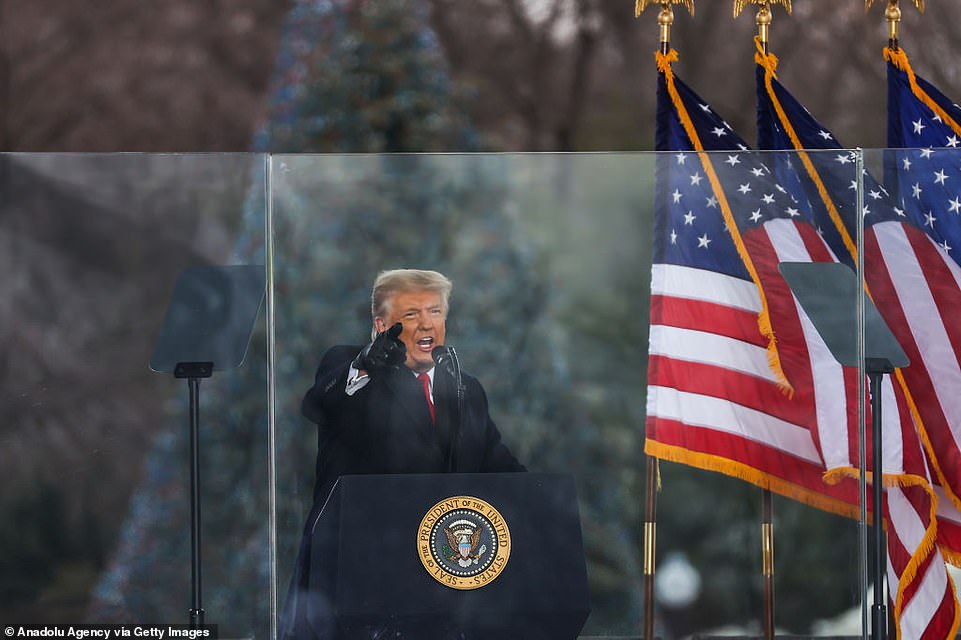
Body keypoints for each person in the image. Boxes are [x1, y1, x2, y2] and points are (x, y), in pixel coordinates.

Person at [281, 268, 525, 639]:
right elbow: (318, 405)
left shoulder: (465, 387)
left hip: (441, 581)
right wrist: (364, 364)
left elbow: (495, 461)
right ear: (382, 326)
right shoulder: (352, 369)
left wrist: (538, 499)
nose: (427, 324)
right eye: (412, 315)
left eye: (435, 312)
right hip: (355, 577)